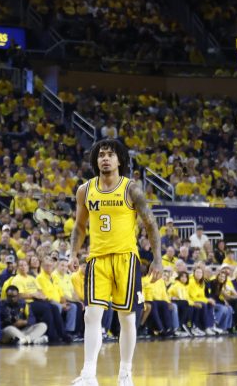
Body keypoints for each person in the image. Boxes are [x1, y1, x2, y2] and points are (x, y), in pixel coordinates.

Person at [69, 138, 163, 386]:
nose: (105, 159)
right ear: (96, 160)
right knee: (91, 316)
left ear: (120, 160)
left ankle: (125, 373)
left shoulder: (132, 189)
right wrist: (72, 254)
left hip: (126, 259)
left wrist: (158, 260)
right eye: (101, 155)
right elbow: (79, 226)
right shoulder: (85, 190)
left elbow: (151, 225)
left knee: (127, 319)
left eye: (110, 155)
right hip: (97, 260)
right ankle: (88, 374)